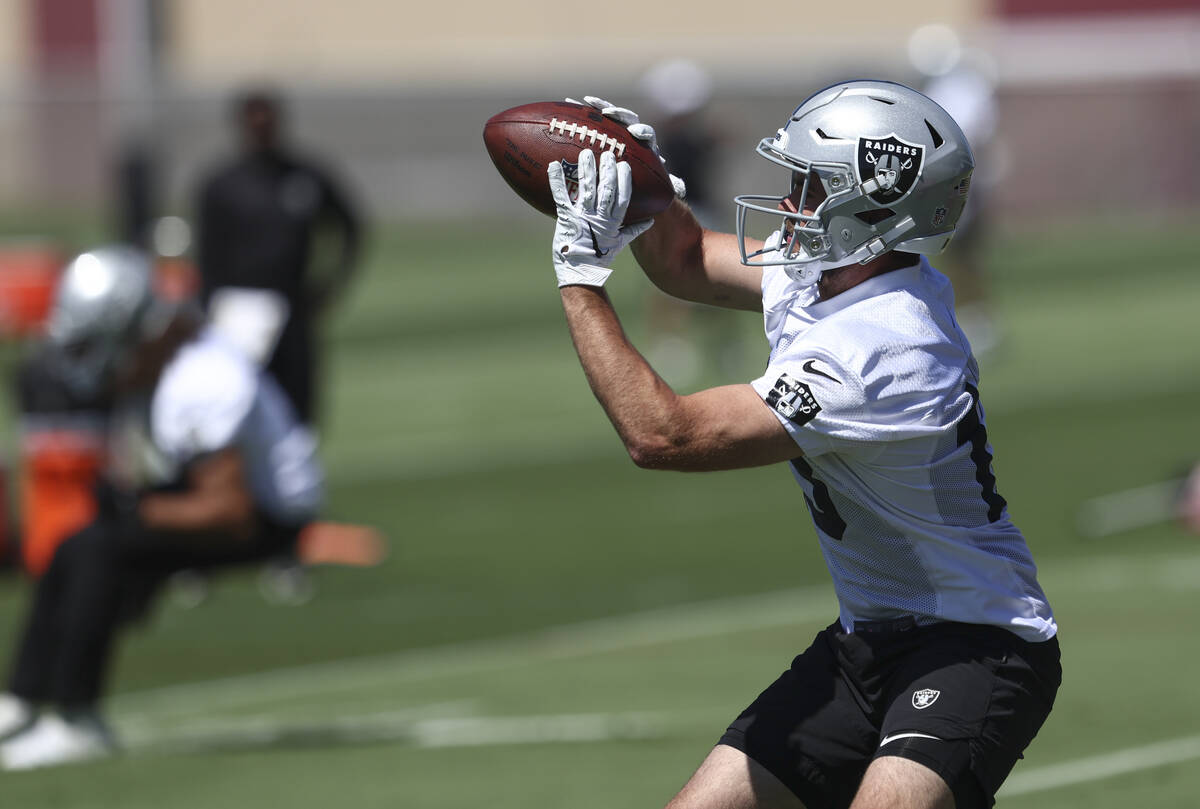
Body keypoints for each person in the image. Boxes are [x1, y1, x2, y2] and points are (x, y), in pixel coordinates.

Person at [545, 82, 1059, 809]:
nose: (789, 202)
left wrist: (578, 278)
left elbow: (663, 434)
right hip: (865, 641)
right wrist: (644, 183)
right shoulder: (833, 273)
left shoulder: (886, 346)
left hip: (977, 643)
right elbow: (685, 257)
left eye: (809, 186)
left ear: (874, 204)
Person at [0, 246, 323, 769]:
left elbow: (233, 511)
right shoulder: (168, 361)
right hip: (222, 501)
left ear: (132, 332)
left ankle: (78, 721)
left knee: (99, 549)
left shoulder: (200, 379)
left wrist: (137, 513)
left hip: (267, 519)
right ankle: (19, 702)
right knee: (76, 544)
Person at [193, 88, 363, 426]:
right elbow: (206, 252)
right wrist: (210, 308)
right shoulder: (222, 185)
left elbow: (349, 226)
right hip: (238, 310)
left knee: (299, 407)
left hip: (293, 307)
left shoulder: (305, 176)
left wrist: (330, 284)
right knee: (238, 406)